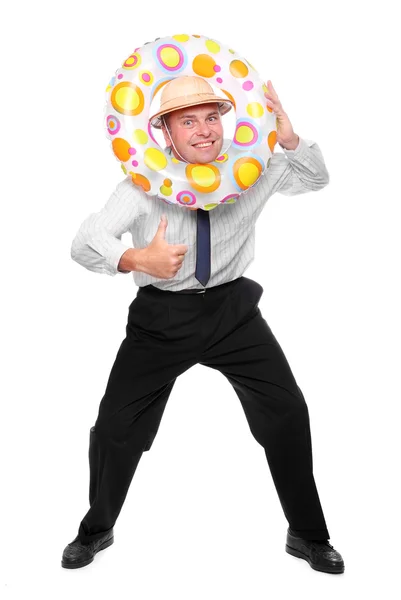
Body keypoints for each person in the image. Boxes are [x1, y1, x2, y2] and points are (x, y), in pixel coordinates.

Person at [62, 76, 344, 574]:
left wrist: (290, 137)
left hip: (234, 314)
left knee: (287, 412)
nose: (204, 130)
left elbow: (315, 178)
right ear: (167, 134)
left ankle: (307, 534)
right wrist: (135, 258)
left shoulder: (251, 171)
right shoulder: (142, 185)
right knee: (114, 428)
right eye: (187, 121)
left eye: (212, 117)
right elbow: (85, 241)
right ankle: (96, 529)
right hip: (161, 319)